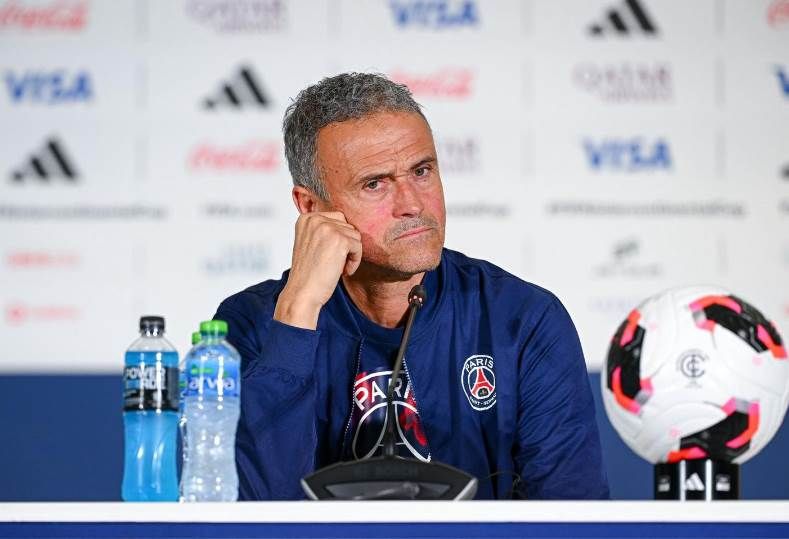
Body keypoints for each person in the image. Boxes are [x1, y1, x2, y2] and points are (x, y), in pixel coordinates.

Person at [215, 72, 610, 500]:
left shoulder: (523, 320)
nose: (413, 204)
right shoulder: (249, 325)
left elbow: (571, 515)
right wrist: (298, 313)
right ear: (311, 207)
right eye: (375, 184)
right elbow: (244, 512)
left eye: (422, 171)